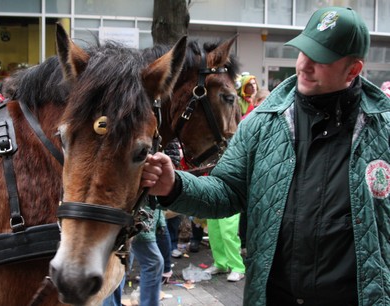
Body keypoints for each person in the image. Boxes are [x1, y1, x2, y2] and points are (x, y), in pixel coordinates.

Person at [141, 6, 389, 306]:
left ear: (353, 70)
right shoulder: (263, 122)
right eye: (303, 52)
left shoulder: (383, 131)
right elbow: (226, 191)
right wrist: (174, 185)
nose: (304, 65)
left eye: (321, 59)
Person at [204, 213, 245, 282]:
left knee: (228, 234)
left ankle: (237, 268)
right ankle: (220, 263)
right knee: (214, 233)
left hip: (230, 203)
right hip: (212, 204)